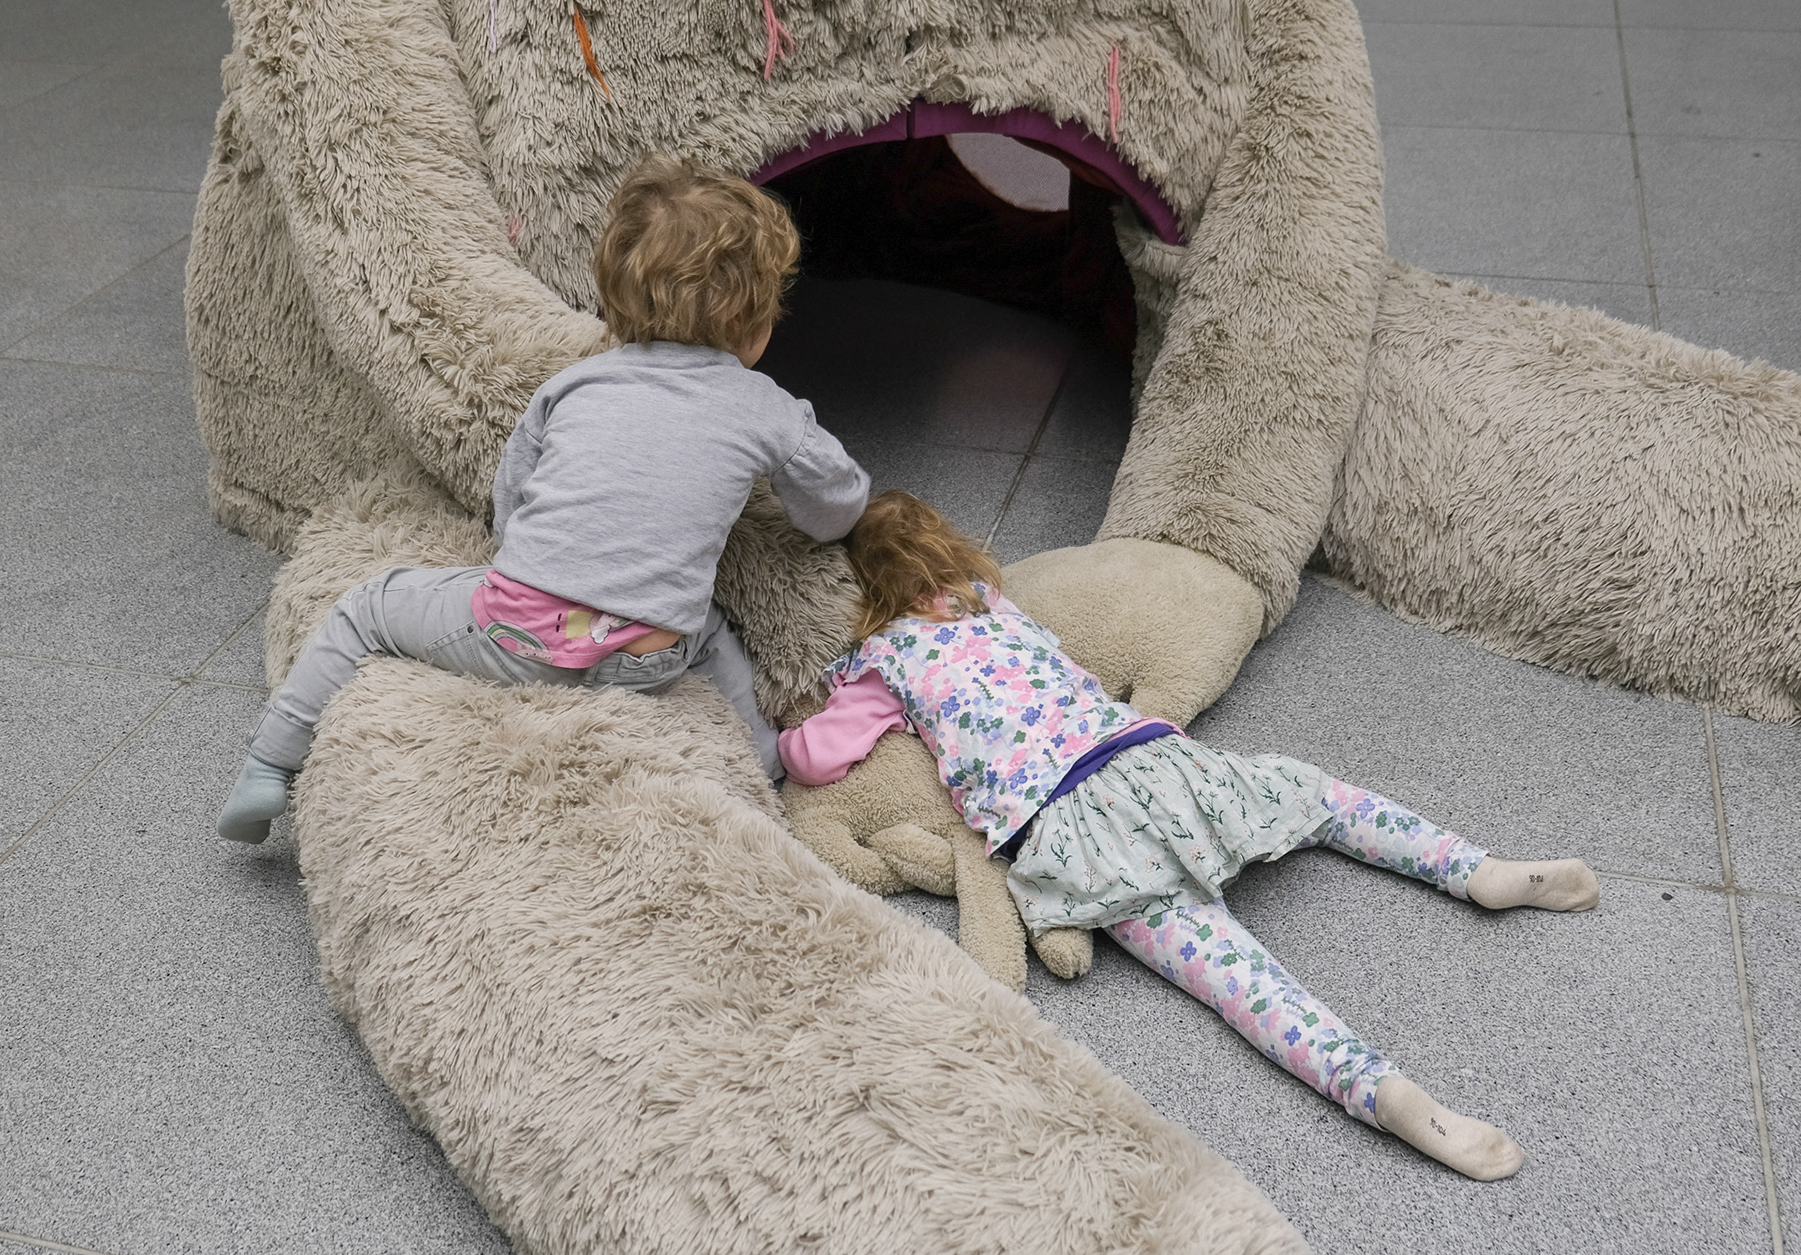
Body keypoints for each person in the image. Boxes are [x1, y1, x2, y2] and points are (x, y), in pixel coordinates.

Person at [780, 491, 1600, 1181]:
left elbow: (816, 757)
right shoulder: (992, 605)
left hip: (1068, 827)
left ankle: (1377, 1090)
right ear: (949, 552)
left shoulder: (883, 659)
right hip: (1152, 760)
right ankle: (1476, 869)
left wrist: (793, 732)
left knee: (1231, 975)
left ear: (866, 588)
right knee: (1321, 800)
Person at [218, 158, 869, 843]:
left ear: (614, 298)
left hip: (518, 634)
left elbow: (512, 503)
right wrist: (841, 520)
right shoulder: (767, 409)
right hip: (650, 656)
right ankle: (769, 768)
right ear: (757, 317)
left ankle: (269, 763)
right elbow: (836, 504)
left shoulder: (574, 385)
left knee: (366, 607)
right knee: (710, 629)